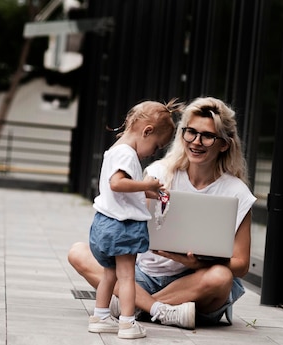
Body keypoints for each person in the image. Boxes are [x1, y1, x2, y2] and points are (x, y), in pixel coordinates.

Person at [69, 96, 257, 330]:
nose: (196, 142)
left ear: (224, 144)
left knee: (221, 277)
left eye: (207, 136)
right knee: (79, 252)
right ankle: (160, 311)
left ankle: (134, 306)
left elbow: (241, 264)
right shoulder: (158, 173)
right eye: (190, 132)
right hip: (140, 275)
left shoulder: (236, 191)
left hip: (189, 284)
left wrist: (197, 263)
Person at [86, 98, 180, 339]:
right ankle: (127, 323)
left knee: (110, 274)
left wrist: (151, 192)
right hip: (123, 226)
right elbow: (117, 184)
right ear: (147, 131)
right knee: (127, 277)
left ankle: (100, 316)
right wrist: (148, 183)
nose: (154, 153)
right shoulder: (128, 155)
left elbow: (125, 190)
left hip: (105, 223)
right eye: (156, 147)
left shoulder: (115, 151)